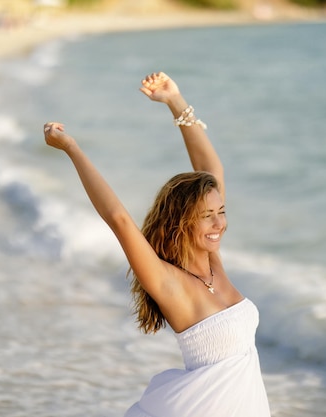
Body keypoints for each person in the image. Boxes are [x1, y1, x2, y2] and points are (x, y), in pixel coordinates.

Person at [43, 72, 271, 417]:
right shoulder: (169, 283)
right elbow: (118, 218)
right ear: (182, 222)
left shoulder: (213, 262)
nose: (219, 223)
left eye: (221, 212)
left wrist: (174, 101)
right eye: (207, 215)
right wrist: (71, 148)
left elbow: (210, 168)